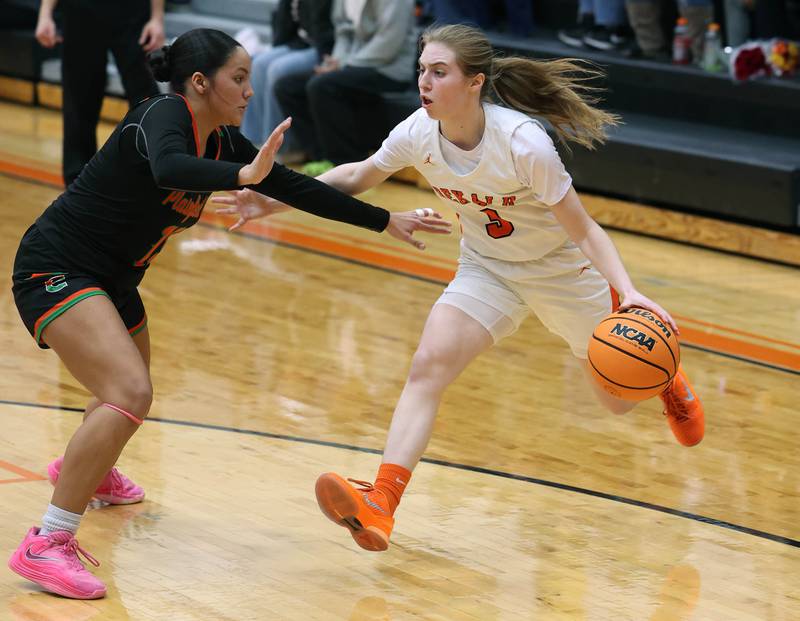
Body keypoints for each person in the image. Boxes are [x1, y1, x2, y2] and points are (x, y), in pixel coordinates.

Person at [214, 23, 706, 553]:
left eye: (439, 72)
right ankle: (381, 503)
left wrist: (629, 293)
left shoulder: (523, 143)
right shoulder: (418, 132)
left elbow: (584, 229)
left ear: (475, 82)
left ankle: (664, 373)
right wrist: (269, 201)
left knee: (617, 402)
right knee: (428, 366)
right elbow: (356, 176)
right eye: (421, 70)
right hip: (487, 269)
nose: (424, 82)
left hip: (560, 272)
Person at [7, 28, 450, 600]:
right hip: (57, 268)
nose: (249, 91)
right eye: (238, 78)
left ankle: (85, 468)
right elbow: (169, 167)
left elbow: (295, 187)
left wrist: (385, 220)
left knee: (121, 392)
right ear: (200, 82)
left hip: (113, 278)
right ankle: (48, 541)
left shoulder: (221, 141)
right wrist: (242, 177)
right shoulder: (162, 114)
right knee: (128, 391)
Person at [273, 0, 416, 173]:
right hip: (353, 63)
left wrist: (345, 65)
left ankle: (346, 163)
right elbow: (342, 33)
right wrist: (338, 61)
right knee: (288, 87)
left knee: (323, 85)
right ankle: (320, 157)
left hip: (388, 69)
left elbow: (388, 41)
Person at [35, 0, 165, 186]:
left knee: (147, 100)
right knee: (78, 103)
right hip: (81, 11)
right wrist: (45, 13)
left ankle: (159, 174)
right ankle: (77, 184)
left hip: (132, 12)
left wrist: (157, 18)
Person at [240, 0, 334, 149]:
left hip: (324, 48)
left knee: (277, 70)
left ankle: (278, 147)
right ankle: (252, 142)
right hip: (300, 42)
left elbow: (324, 30)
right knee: (258, 64)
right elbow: (284, 24)